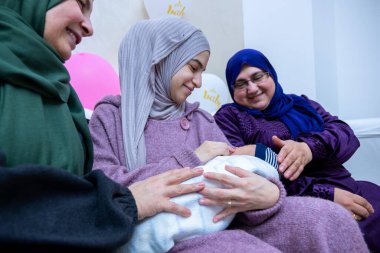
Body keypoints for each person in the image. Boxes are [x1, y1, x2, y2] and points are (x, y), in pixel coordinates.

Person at [90, 18, 369, 253]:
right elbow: (104, 186)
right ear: (159, 59)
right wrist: (193, 158)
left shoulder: (201, 119)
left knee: (331, 219)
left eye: (202, 71)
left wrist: (269, 194)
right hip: (175, 230)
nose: (198, 82)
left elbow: (243, 170)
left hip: (233, 217)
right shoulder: (111, 117)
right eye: (192, 67)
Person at [0, 1, 207, 252]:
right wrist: (124, 203)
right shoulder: (109, 116)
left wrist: (266, 191)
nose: (89, 28)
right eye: (81, 3)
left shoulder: (65, 99)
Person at [214, 48, 380, 252]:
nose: (252, 88)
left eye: (258, 77)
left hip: (347, 185)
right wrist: (326, 194)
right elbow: (247, 174)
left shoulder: (300, 104)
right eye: (240, 84)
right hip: (296, 200)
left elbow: (346, 135)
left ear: (271, 74)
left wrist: (308, 148)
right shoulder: (230, 117)